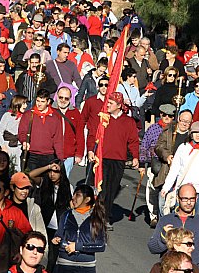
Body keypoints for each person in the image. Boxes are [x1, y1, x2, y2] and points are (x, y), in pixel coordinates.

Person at [87, 92, 139, 228]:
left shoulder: (129, 122)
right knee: (101, 188)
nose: (107, 105)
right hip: (102, 158)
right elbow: (93, 135)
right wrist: (91, 150)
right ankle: (96, 215)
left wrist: (135, 157)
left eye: (111, 103)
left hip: (118, 160)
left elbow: (133, 141)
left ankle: (105, 216)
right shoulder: (103, 119)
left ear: (119, 106)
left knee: (111, 189)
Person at [160, 121, 199, 220]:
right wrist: (166, 187)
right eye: (195, 132)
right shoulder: (183, 147)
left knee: (197, 221)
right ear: (191, 134)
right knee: (179, 220)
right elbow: (175, 169)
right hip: (183, 190)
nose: (198, 135)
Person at [149, 184, 199, 269]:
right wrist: (164, 238)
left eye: (192, 199)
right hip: (168, 272)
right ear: (178, 198)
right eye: (185, 199)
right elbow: (152, 248)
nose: (188, 203)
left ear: (196, 199)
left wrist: (197, 271)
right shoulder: (166, 220)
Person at [29, 161, 72, 273]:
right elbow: (31, 175)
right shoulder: (44, 183)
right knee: (40, 254)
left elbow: (71, 208)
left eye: (56, 171)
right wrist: (47, 166)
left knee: (52, 259)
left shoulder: (68, 188)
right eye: (50, 171)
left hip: (58, 229)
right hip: (42, 225)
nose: (52, 174)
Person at [153, 109, 193, 225]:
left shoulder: (192, 136)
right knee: (162, 199)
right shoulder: (169, 131)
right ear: (178, 119)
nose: (185, 124)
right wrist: (167, 156)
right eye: (183, 121)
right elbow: (159, 146)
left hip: (183, 174)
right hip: (167, 170)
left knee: (177, 201)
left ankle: (175, 226)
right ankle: (163, 223)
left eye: (188, 122)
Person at [138, 104, 176, 224]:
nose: (167, 118)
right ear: (161, 115)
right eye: (164, 115)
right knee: (152, 189)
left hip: (169, 164)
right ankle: (153, 215)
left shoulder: (175, 131)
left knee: (168, 190)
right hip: (154, 163)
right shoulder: (153, 129)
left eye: (170, 116)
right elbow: (144, 145)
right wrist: (141, 163)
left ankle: (165, 214)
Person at [18, 88, 64, 170]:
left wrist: (60, 158)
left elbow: (58, 139)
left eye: (42, 102)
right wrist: (24, 141)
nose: (39, 104)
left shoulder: (55, 117)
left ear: (48, 102)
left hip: (49, 156)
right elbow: (22, 132)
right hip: (32, 155)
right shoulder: (28, 115)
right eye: (38, 101)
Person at [9, 172, 49, 267]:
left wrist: (43, 261)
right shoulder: (5, 206)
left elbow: (42, 234)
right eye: (21, 188)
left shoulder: (34, 208)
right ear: (12, 188)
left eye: (27, 188)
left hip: (28, 256)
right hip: (7, 255)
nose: (24, 191)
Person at [53, 86, 84, 178]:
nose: (63, 100)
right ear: (56, 96)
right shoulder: (50, 111)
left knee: (64, 180)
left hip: (69, 154)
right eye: (60, 97)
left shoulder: (75, 113)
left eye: (66, 98)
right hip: (52, 153)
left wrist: (79, 154)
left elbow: (80, 135)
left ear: (70, 99)